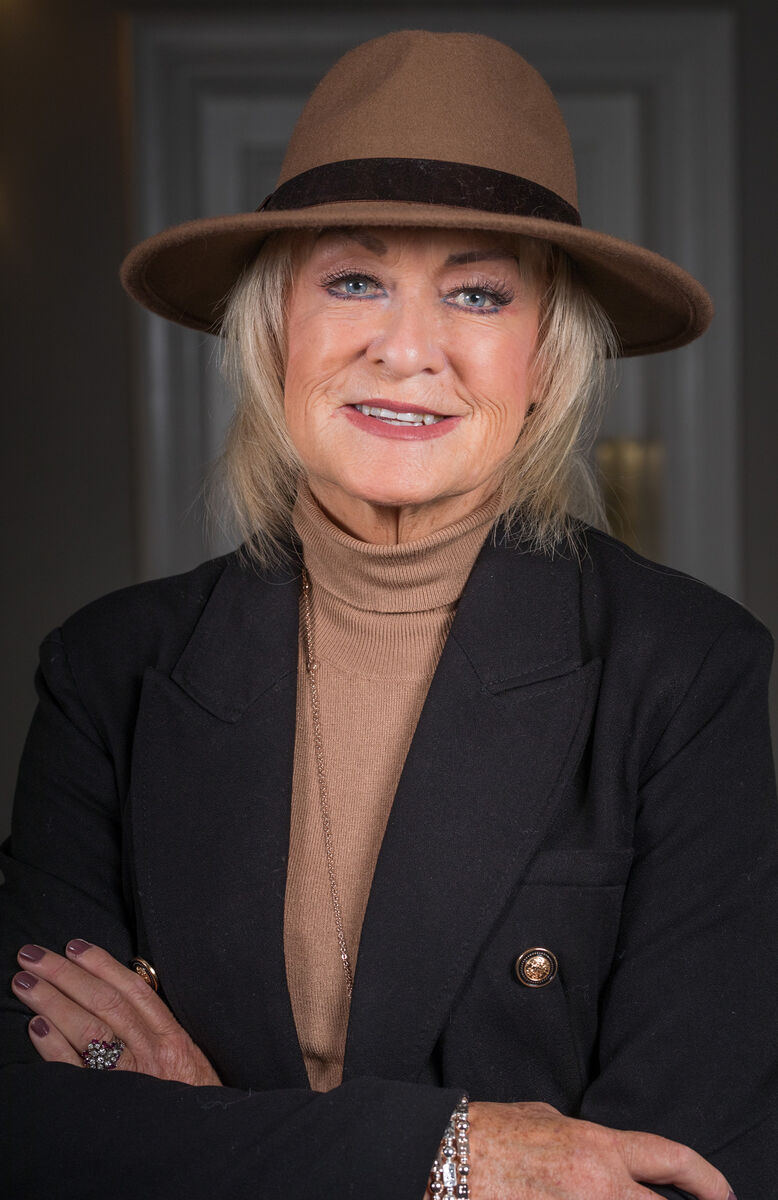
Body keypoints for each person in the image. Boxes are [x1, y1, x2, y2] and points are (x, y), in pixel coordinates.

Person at [2, 29, 776, 1200]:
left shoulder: (687, 672)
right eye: (353, 279)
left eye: (475, 292)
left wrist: (196, 1133)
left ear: (543, 359)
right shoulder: (108, 671)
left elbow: (685, 1174)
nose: (407, 350)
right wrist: (455, 1157)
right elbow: (34, 1136)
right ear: (274, 329)